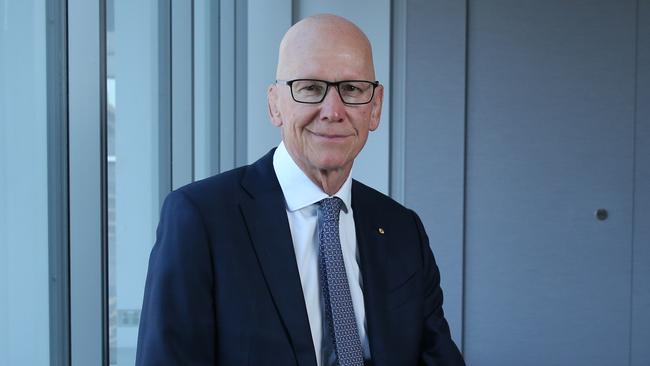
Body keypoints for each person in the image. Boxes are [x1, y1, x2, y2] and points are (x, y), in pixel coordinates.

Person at [136, 14, 465, 366]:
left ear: (375, 106)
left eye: (352, 89)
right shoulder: (199, 218)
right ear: (275, 103)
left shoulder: (402, 229)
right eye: (310, 87)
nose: (333, 111)